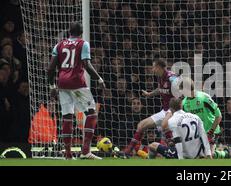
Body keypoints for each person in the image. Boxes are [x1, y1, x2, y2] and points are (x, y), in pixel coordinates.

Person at [47, 22, 106, 159]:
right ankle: (85, 151)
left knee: (67, 116)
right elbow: (86, 64)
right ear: (81, 32)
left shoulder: (59, 45)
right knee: (91, 113)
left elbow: (50, 68)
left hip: (62, 84)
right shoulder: (83, 44)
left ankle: (68, 154)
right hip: (77, 83)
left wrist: (52, 86)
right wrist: (99, 79)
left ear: (69, 32)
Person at [120, 59, 179, 158]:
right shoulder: (160, 78)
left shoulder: (171, 77)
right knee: (141, 125)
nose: (152, 69)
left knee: (165, 126)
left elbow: (180, 86)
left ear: (159, 67)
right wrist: (150, 94)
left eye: (154, 67)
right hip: (164, 110)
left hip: (173, 110)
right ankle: (128, 152)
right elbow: (160, 89)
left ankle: (173, 151)